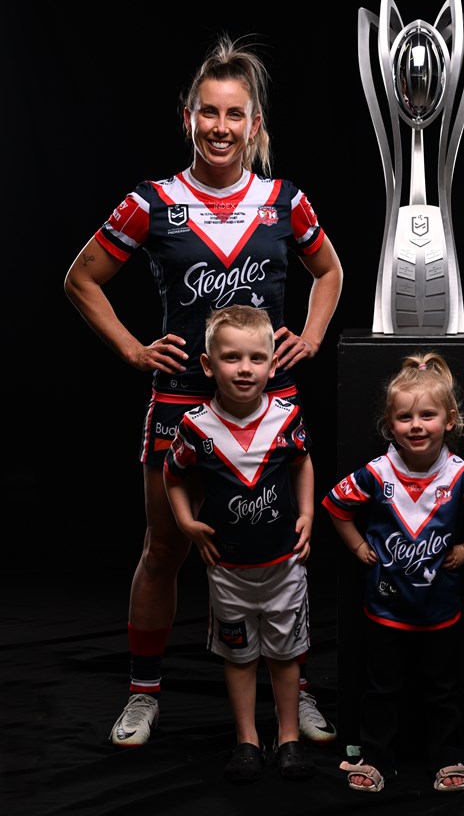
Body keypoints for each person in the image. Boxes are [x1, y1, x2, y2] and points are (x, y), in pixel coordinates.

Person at [63, 32, 342, 749]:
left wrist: (310, 337)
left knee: (281, 549)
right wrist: (132, 348)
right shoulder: (152, 203)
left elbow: (329, 272)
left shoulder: (284, 202)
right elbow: (81, 278)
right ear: (188, 117)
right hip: (183, 401)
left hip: (269, 404)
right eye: (208, 112)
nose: (221, 127)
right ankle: (143, 692)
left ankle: (296, 688)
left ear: (255, 124)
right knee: (164, 549)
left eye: (234, 114)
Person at [322, 351, 464, 794]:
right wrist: (356, 545)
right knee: (381, 689)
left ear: (449, 421)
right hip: (385, 609)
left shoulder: (459, 475)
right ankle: (375, 757)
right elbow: (335, 506)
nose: (416, 425)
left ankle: (447, 757)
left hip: (440, 610)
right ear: (390, 426)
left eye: (427, 415)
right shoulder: (378, 472)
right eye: (404, 417)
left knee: (441, 690)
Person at [164, 304, 316, 782]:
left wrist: (307, 513)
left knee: (285, 657)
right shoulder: (195, 426)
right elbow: (173, 476)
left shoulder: (286, 417)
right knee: (240, 657)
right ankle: (247, 740)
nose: (245, 369)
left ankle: (288, 738)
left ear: (272, 364)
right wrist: (186, 523)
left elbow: (302, 462)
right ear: (208, 365)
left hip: (283, 564)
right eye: (231, 358)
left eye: (256, 358)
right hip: (228, 571)